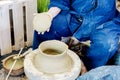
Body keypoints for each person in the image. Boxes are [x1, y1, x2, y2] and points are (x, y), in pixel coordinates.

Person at [33, 0, 120, 71]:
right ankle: (37, 60)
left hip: (105, 21)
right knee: (49, 27)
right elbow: (60, 1)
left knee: (106, 45)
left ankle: (89, 71)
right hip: (76, 16)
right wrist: (49, 15)